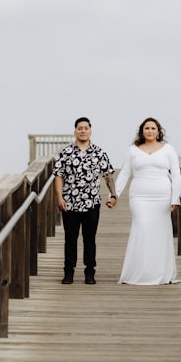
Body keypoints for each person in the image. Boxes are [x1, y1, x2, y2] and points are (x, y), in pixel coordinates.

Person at [109, 117, 181, 285]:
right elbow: (125, 173)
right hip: (139, 196)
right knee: (142, 227)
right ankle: (139, 272)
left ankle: (159, 272)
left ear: (158, 131)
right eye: (147, 128)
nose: (150, 131)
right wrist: (115, 195)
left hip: (162, 196)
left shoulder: (168, 150)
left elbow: (176, 174)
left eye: (153, 128)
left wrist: (175, 197)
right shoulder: (133, 150)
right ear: (142, 131)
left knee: (159, 232)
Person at [53, 117, 116, 285]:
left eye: (86, 128)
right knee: (70, 238)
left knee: (89, 238)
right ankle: (68, 272)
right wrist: (59, 197)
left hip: (92, 202)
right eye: (79, 128)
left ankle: (90, 272)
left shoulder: (99, 152)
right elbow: (59, 176)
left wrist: (113, 195)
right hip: (70, 203)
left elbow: (108, 175)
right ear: (75, 131)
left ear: (90, 131)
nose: (82, 130)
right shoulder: (66, 152)